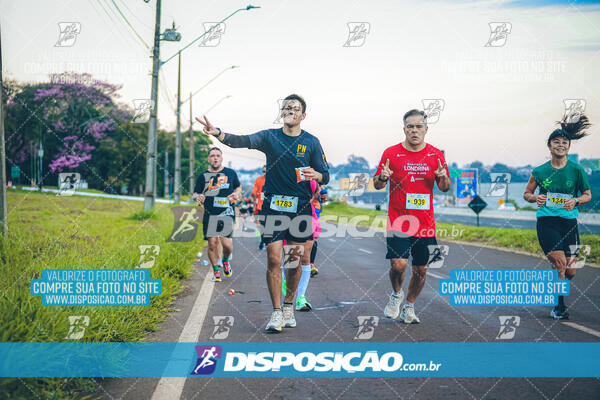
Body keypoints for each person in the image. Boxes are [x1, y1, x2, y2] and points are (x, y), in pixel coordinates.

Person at [196, 94, 329, 333]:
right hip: (273, 208)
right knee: (274, 260)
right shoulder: (270, 137)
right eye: (286, 107)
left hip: (300, 209)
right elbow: (240, 140)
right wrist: (217, 133)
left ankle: (289, 305)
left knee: (294, 261)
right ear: (282, 113)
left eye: (295, 108)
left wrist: (317, 176)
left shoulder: (311, 142)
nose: (290, 110)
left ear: (303, 115)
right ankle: (277, 312)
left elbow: (325, 174)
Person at [374, 109, 450, 324]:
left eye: (418, 126)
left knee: (421, 269)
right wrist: (382, 176)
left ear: (426, 129)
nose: (414, 130)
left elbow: (445, 188)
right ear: (404, 129)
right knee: (398, 265)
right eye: (410, 126)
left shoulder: (436, 155)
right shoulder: (391, 153)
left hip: (425, 224)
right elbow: (378, 184)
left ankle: (409, 305)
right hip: (398, 220)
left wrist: (443, 178)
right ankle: (396, 294)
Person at [523, 114, 592, 320]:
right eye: (556, 142)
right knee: (560, 264)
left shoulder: (577, 170)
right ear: (549, 146)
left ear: (568, 147)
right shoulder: (540, 171)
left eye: (564, 143)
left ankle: (558, 284)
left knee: (571, 271)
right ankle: (559, 307)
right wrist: (535, 197)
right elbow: (526, 194)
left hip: (569, 223)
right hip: (547, 222)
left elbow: (587, 195)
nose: (560, 145)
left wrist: (576, 201)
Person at [193, 147, 242, 282]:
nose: (215, 158)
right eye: (212, 156)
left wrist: (237, 193)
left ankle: (225, 261)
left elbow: (238, 186)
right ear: (209, 159)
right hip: (210, 214)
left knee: (227, 245)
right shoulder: (203, 176)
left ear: (221, 158)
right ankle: (215, 269)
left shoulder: (230, 173)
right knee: (212, 244)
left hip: (227, 213)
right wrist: (198, 197)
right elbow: (195, 192)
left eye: (218, 156)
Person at [309, 184, 328, 277]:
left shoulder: (317, 175)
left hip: (314, 208)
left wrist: (323, 193)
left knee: (312, 238)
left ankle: (311, 264)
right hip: (298, 206)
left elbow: (324, 196)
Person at [252, 166, 267, 249]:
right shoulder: (259, 179)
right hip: (260, 206)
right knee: (261, 225)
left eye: (266, 171)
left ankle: (267, 241)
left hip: (271, 207)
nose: (265, 173)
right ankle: (262, 241)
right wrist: (255, 203)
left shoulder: (273, 179)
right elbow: (254, 192)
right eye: (263, 171)